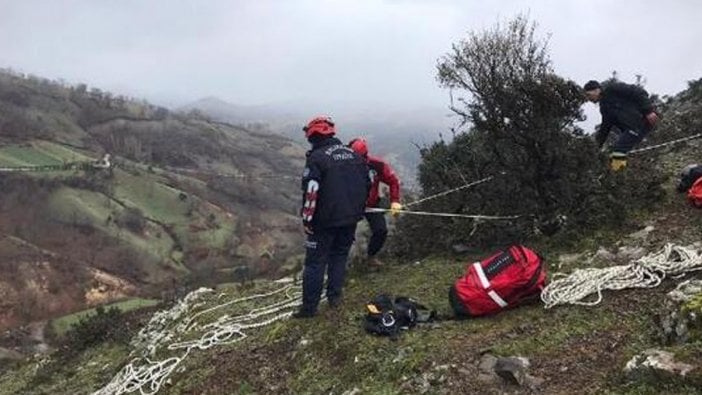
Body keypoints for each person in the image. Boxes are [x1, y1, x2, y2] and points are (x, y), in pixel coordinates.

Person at [293, 116, 370, 318]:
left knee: (315, 263)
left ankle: (309, 309)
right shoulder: (354, 154)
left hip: (324, 221)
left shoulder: (317, 158)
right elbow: (367, 185)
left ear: (312, 136)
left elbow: (311, 190)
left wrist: (307, 219)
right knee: (339, 256)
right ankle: (334, 298)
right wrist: (358, 210)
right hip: (350, 218)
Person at [348, 137, 402, 266]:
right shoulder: (344, 166)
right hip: (351, 206)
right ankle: (344, 264)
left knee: (381, 231)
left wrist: (395, 201)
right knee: (346, 235)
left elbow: (393, 181)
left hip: (372, 205)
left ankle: (371, 257)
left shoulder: (376, 164)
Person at [583, 80, 659, 171]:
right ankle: (621, 173)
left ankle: (619, 175)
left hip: (640, 122)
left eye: (589, 95)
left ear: (596, 90)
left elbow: (638, 92)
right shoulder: (604, 107)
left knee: (619, 150)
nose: (588, 99)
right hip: (630, 129)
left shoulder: (613, 89)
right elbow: (605, 128)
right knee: (615, 152)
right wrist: (595, 147)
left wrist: (648, 111)